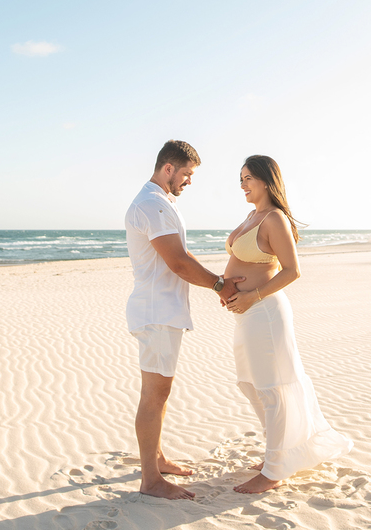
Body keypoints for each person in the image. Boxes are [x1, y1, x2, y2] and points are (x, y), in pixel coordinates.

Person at [223, 155, 353, 493]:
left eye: (248, 178)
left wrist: (252, 296)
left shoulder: (274, 218)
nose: (243, 185)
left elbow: (292, 271)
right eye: (240, 179)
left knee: (272, 387)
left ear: (266, 181)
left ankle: (274, 471)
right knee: (251, 383)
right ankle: (277, 452)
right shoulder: (252, 216)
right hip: (247, 314)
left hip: (265, 312)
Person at [124, 139, 245, 501]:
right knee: (154, 394)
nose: (189, 181)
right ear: (168, 169)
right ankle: (150, 480)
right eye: (187, 174)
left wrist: (217, 281)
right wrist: (220, 284)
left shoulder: (161, 202)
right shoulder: (151, 204)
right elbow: (177, 262)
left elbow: (181, 253)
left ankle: (157, 459)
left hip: (162, 310)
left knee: (159, 392)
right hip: (156, 311)